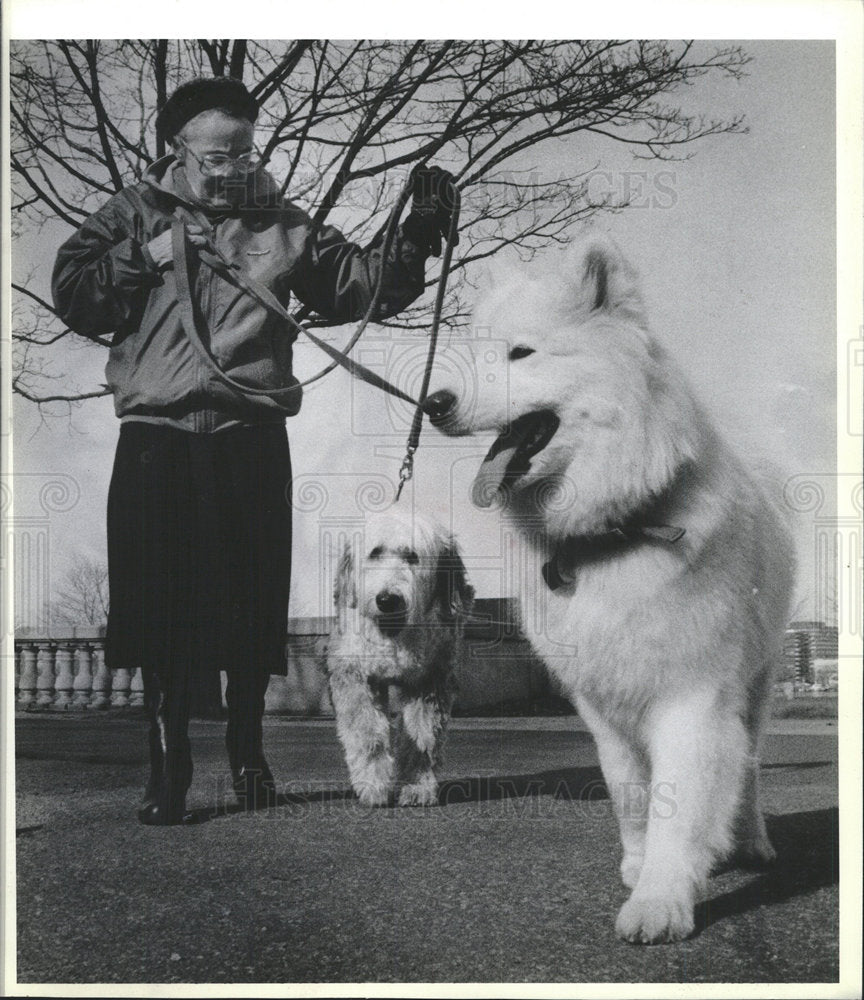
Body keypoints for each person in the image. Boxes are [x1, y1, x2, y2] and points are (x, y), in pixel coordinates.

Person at [52, 76, 457, 825]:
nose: (236, 168)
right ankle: (169, 765)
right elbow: (74, 293)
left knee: (249, 603)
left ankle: (247, 755)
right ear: (178, 151)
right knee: (160, 608)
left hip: (250, 436)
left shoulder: (283, 223)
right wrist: (144, 255)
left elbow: (357, 287)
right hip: (157, 437)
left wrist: (413, 239)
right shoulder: (132, 211)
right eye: (218, 157)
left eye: (245, 152)